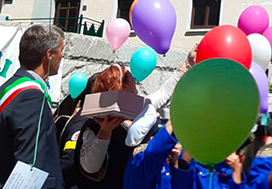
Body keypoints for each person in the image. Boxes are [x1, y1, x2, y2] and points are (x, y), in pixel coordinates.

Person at [73, 43, 197, 189]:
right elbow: (90, 168)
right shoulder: (95, 123)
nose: (134, 77)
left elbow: (163, 94)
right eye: (130, 75)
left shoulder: (139, 109)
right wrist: (104, 133)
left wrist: (188, 63)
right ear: (124, 86)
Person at [0, 24, 66, 189]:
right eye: (61, 50)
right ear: (49, 55)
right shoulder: (32, 97)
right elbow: (31, 163)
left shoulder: (10, 87)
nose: (63, 55)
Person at [122, 118, 179, 189]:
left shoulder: (167, 165)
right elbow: (155, 150)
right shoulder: (139, 161)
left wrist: (175, 163)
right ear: (151, 139)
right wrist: (175, 118)